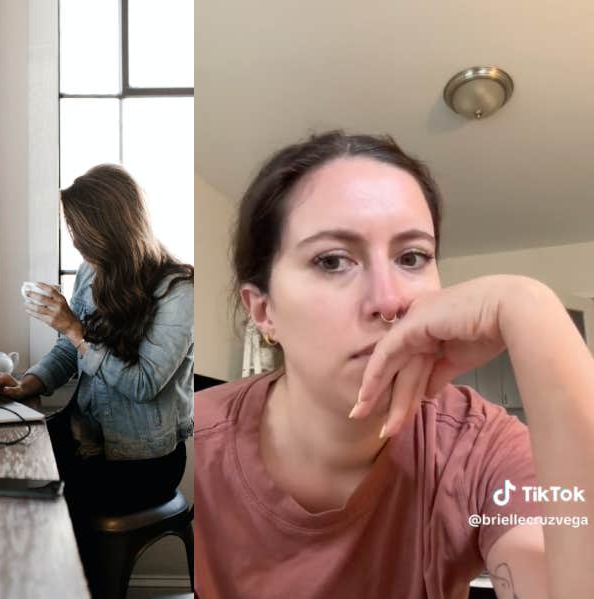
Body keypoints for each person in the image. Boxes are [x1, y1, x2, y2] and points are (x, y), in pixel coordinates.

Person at [192, 131, 594, 598]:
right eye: (331, 261)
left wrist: (533, 312)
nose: (388, 302)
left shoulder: (479, 449)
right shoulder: (200, 442)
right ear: (263, 311)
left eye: (412, 257)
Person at [0, 164, 194, 585]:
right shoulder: (93, 272)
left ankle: (68, 588)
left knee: (47, 507)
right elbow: (67, 351)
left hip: (142, 462)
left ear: (110, 229)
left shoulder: (178, 290)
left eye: (80, 234)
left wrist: (74, 329)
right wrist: (26, 385)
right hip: (87, 440)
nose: (76, 245)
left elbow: (143, 384)